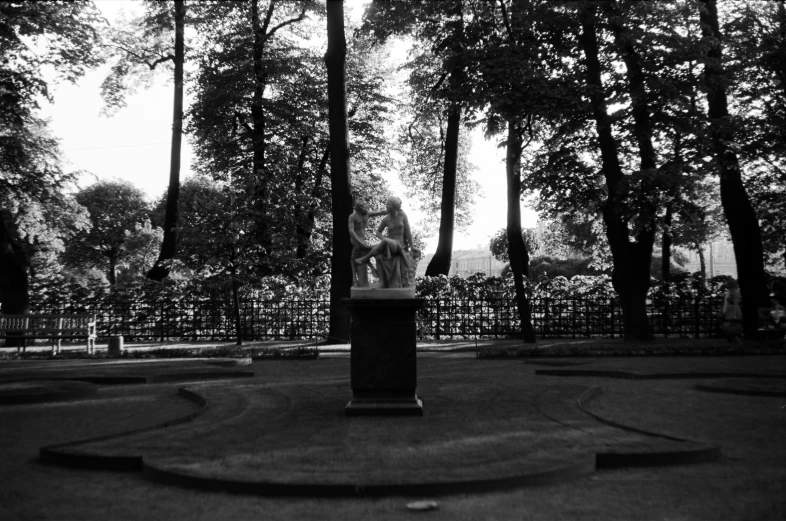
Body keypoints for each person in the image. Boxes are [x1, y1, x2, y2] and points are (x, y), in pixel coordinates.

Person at [355, 196, 420, 288]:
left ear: (395, 206)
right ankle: (381, 282)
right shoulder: (386, 219)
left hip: (400, 245)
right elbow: (377, 232)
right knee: (378, 255)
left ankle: (365, 258)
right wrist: (384, 241)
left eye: (388, 204)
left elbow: (408, 231)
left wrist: (412, 247)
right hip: (389, 244)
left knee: (385, 242)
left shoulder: (402, 215)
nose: (386, 206)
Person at [348, 199, 386, 287]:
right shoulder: (353, 216)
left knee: (359, 254)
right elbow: (351, 231)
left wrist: (389, 211)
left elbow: (380, 212)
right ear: (359, 208)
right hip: (356, 239)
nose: (366, 210)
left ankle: (357, 278)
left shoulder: (367, 214)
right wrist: (359, 242)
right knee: (362, 252)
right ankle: (370, 270)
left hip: (363, 239)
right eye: (364, 208)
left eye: (366, 207)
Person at [721, 278, 743, 343]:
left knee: (732, 324)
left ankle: (735, 338)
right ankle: (732, 339)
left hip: (732, 310)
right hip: (729, 309)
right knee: (729, 324)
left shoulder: (735, 291)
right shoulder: (730, 291)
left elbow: (736, 302)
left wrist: (734, 315)